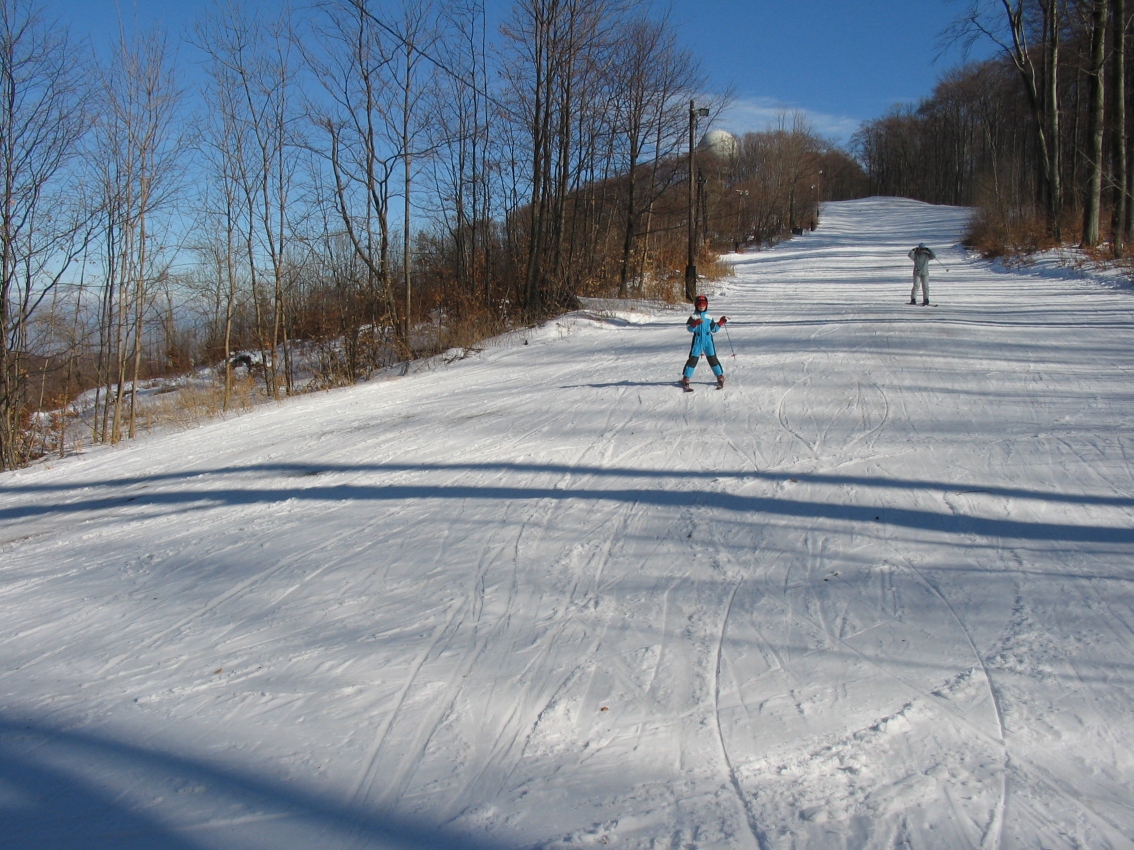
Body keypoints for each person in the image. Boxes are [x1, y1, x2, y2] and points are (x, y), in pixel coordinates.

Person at [681, 294, 727, 390]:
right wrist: (695, 324)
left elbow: (714, 329)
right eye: (699, 304)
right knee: (693, 359)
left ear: (706, 305)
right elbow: (689, 329)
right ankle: (686, 378)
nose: (702, 306)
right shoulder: (693, 316)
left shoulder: (709, 317)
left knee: (712, 358)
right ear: (696, 305)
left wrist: (721, 322)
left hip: (708, 340)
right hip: (697, 340)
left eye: (704, 304)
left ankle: (720, 376)